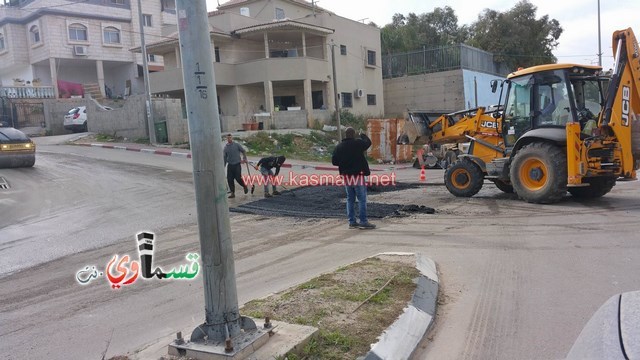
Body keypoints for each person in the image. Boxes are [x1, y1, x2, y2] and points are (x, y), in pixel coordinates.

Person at [331, 127, 375, 230]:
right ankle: (363, 221)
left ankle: (352, 222)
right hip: (358, 176)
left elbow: (334, 162)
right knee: (361, 199)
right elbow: (368, 143)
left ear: (345, 135)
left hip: (347, 176)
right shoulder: (358, 143)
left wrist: (343, 162)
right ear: (354, 134)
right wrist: (363, 135)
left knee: (350, 199)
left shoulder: (339, 147)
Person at [223, 133, 248, 198]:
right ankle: (232, 193)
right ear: (226, 139)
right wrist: (223, 165)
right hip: (230, 165)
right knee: (229, 179)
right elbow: (225, 157)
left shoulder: (236, 145)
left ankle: (244, 186)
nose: (229, 139)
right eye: (228, 138)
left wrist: (244, 158)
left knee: (238, 178)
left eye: (230, 137)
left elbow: (243, 151)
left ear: (232, 138)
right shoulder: (225, 148)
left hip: (237, 164)